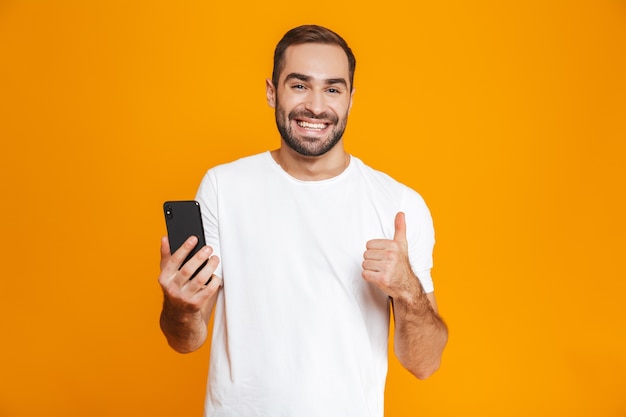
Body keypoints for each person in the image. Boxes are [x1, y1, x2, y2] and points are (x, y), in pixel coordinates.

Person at [158, 24, 448, 417]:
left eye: (332, 88)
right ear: (271, 91)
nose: (316, 105)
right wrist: (180, 305)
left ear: (350, 99)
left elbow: (425, 363)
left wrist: (408, 290)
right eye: (299, 85)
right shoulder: (222, 188)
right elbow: (185, 341)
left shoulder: (399, 204)